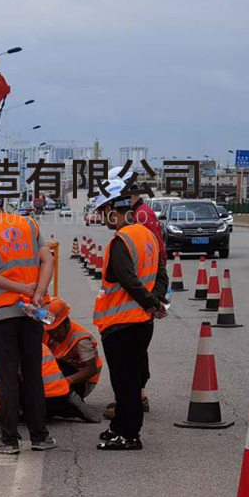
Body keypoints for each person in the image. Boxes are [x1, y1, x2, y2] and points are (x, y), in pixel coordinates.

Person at [0, 177, 56, 453]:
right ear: (1, 201)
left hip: (2, 314)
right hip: (33, 311)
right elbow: (47, 259)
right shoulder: (28, 223)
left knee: (7, 377)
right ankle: (40, 436)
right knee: (32, 374)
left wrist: (20, 288)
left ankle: (8, 438)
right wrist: (37, 293)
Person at [92, 178, 168, 450]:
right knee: (129, 380)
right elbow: (161, 274)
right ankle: (118, 427)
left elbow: (127, 279)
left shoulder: (120, 240)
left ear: (115, 208)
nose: (102, 218)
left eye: (103, 211)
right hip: (141, 323)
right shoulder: (147, 235)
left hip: (121, 324)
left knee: (125, 383)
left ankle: (129, 434)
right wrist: (155, 302)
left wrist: (150, 303)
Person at [44, 297, 102, 412]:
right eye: (50, 330)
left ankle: (73, 405)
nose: (53, 334)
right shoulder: (47, 333)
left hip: (81, 381)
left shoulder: (81, 340)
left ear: (66, 323)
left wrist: (67, 381)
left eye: (56, 330)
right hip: (59, 374)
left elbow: (90, 370)